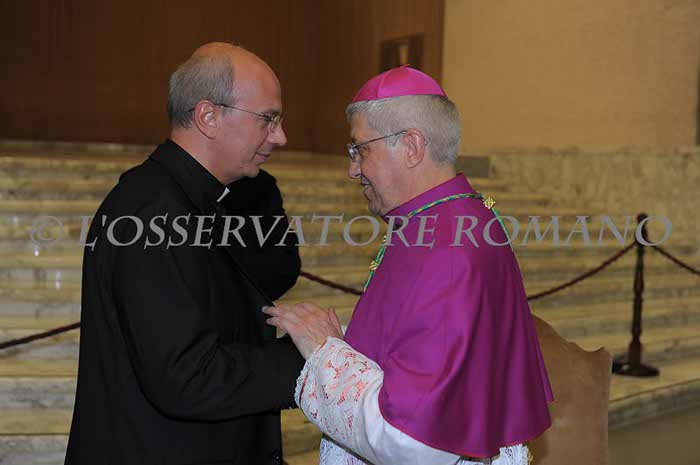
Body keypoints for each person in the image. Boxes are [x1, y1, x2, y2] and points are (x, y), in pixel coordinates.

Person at [264, 66, 553, 465]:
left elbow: (411, 440)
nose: (352, 169)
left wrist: (326, 354)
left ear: (412, 146)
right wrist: (346, 338)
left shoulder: (449, 251)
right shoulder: (443, 221)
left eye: (360, 149)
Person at [66, 43, 311, 465]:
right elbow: (188, 377)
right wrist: (310, 356)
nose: (280, 136)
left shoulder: (195, 200)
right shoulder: (152, 214)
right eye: (267, 119)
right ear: (208, 116)